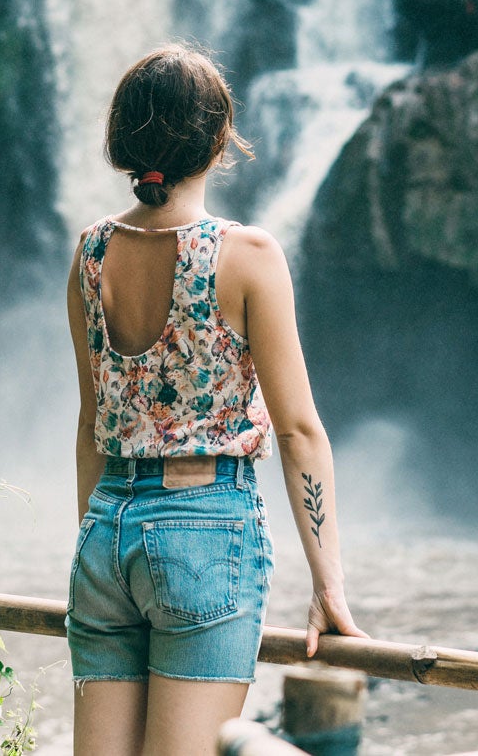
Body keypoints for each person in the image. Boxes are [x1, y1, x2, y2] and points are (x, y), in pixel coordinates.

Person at [64, 43, 367, 756]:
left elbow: (91, 424)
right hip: (203, 534)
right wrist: (330, 587)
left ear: (122, 140)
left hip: (106, 532)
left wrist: (95, 543)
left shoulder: (89, 254)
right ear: (219, 139)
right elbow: (297, 430)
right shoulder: (246, 255)